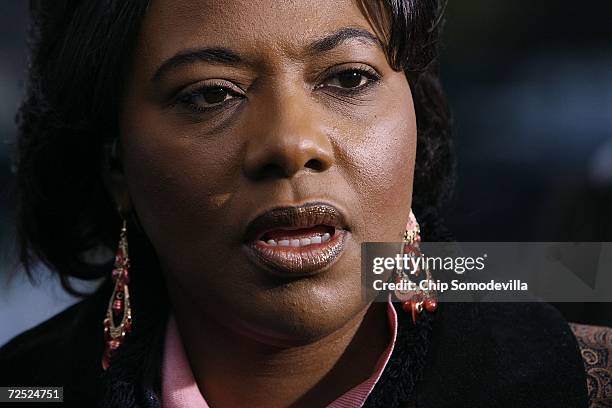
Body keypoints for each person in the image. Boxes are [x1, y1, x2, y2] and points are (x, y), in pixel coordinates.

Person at [1, 1, 610, 407]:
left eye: (348, 79)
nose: (292, 144)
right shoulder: (27, 388)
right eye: (212, 94)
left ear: (417, 113)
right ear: (116, 163)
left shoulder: (573, 379)